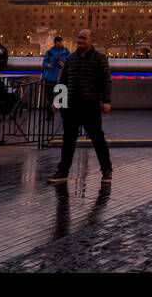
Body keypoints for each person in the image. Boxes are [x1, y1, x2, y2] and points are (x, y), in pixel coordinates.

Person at [47, 29, 112, 183]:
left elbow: (106, 81)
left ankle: (106, 170)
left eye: (84, 38)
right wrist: (58, 101)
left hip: (90, 104)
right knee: (68, 140)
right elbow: (63, 81)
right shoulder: (71, 58)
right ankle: (62, 171)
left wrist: (106, 101)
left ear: (91, 41)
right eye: (79, 38)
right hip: (71, 105)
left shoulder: (99, 58)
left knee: (97, 139)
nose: (80, 41)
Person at [41, 36, 69, 117]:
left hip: (61, 77)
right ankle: (49, 114)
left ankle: (63, 114)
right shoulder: (49, 52)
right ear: (55, 43)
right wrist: (47, 65)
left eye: (61, 41)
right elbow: (44, 62)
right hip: (50, 76)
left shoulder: (66, 52)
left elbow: (70, 63)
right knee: (49, 97)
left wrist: (63, 65)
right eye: (59, 42)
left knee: (62, 96)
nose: (60, 43)